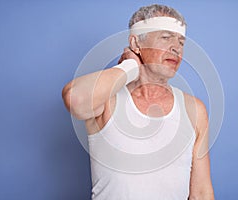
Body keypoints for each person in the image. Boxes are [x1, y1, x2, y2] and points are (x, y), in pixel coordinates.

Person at [62, 4, 214, 200]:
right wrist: (129, 67)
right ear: (135, 43)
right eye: (166, 37)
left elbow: (201, 193)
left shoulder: (194, 109)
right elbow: (75, 98)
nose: (176, 48)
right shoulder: (107, 102)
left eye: (181, 42)